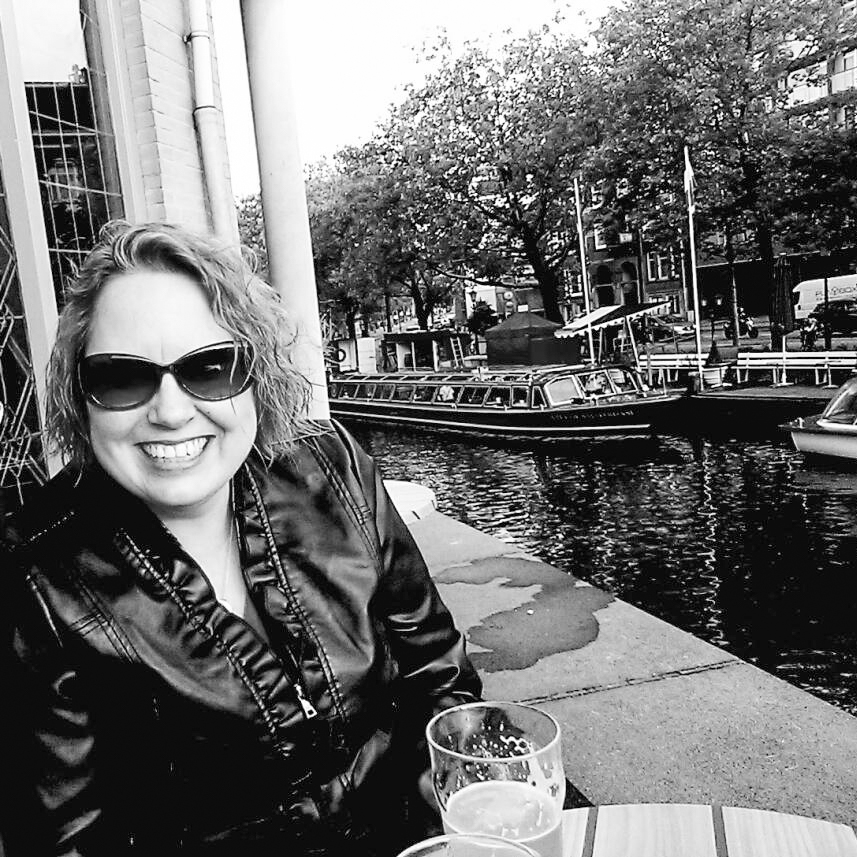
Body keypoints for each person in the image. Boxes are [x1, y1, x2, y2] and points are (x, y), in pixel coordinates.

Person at [2, 222, 481, 857]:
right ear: (80, 396)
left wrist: (436, 826)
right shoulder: (37, 578)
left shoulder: (332, 471)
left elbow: (439, 677)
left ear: (255, 375)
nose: (171, 412)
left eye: (209, 367)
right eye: (123, 378)